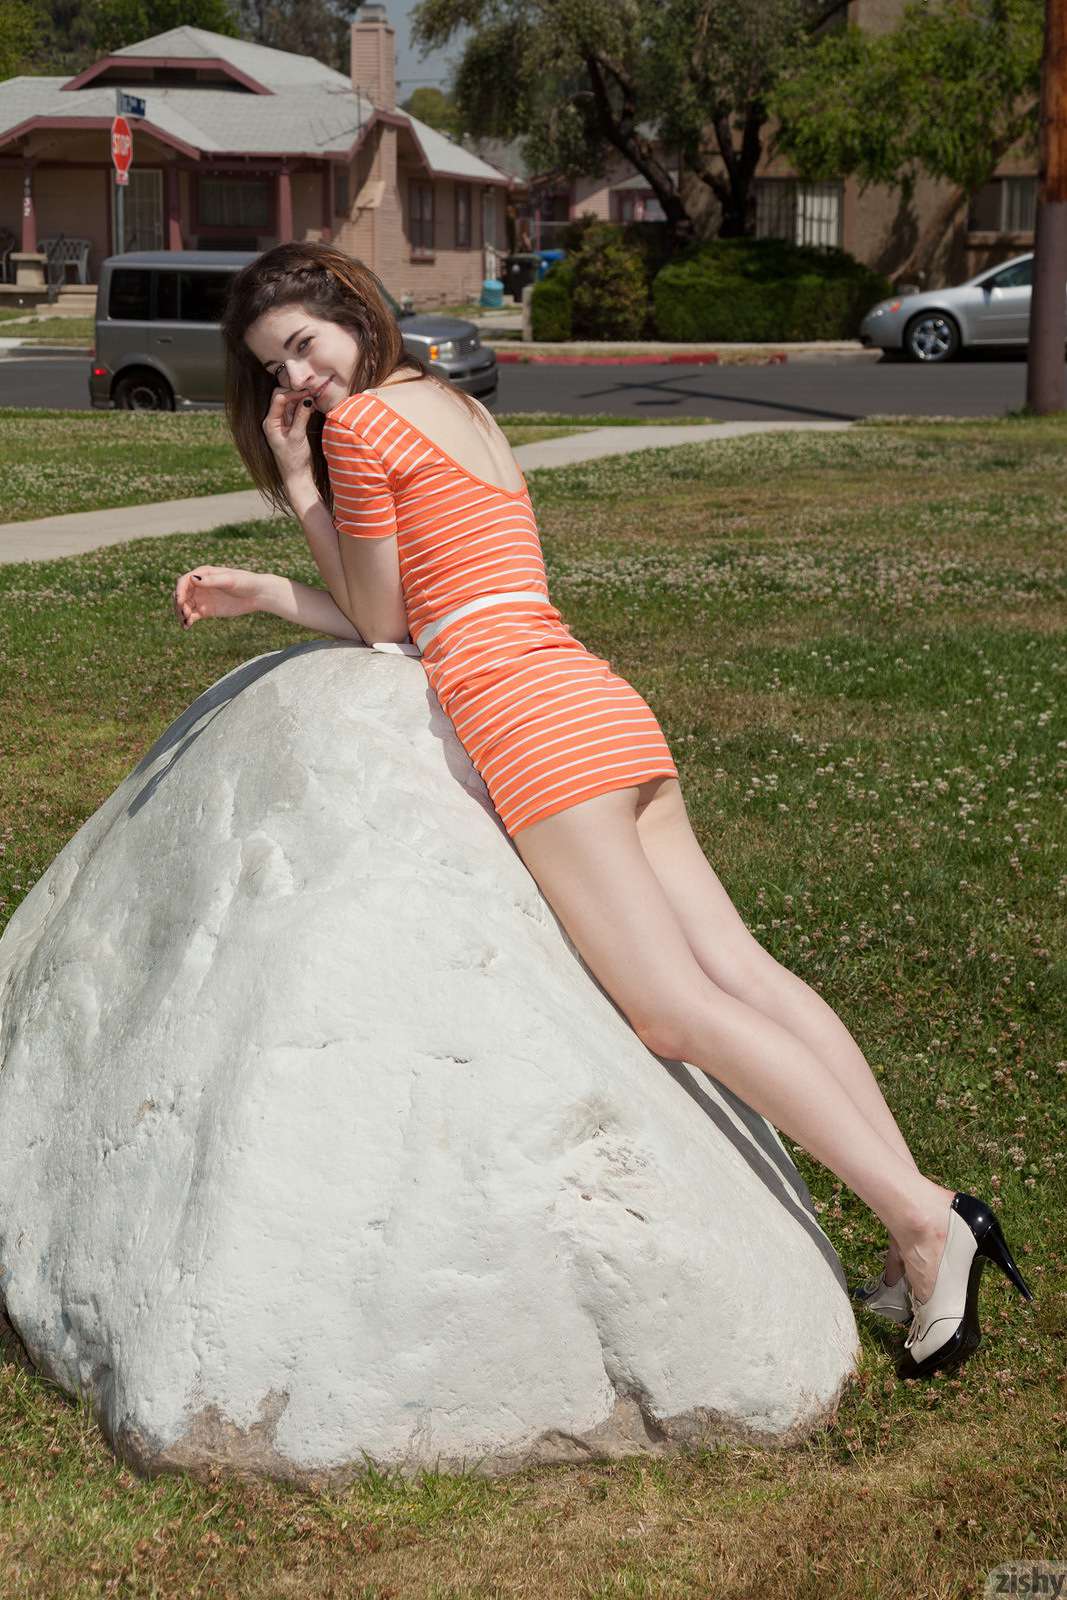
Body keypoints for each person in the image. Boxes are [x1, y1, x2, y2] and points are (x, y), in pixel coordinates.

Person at [173, 242, 1033, 1380]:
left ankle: (920, 1222)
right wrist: (267, 588)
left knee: (672, 1010)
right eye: (273, 369)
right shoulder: (452, 402)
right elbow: (441, 599)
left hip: (529, 719)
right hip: (592, 693)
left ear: (349, 311)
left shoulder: (364, 427)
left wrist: (297, 489)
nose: (296, 381)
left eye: (301, 346)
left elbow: (383, 622)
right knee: (744, 972)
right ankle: (925, 1215)